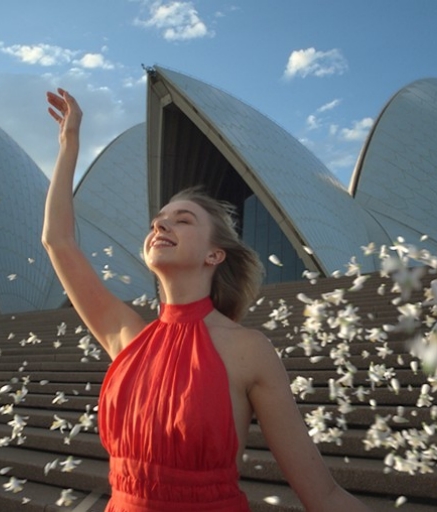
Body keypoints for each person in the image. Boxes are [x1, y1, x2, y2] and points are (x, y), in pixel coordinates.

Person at [42, 88, 373, 512]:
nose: (161, 225)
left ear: (214, 255)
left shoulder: (248, 350)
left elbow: (322, 495)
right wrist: (69, 145)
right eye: (157, 221)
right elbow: (58, 241)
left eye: (182, 220)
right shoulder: (125, 335)